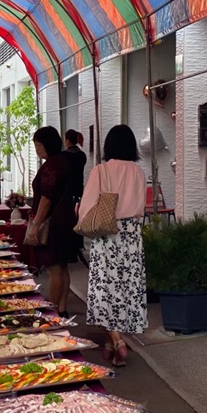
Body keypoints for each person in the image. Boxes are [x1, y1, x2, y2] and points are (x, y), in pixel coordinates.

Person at [77, 124, 147, 367]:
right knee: (124, 290)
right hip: (131, 236)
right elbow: (140, 209)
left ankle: (117, 341)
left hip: (107, 234)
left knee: (104, 289)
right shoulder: (138, 172)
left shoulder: (101, 171)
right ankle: (110, 347)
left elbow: (87, 207)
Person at [27, 126, 77, 315]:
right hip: (66, 220)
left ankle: (52, 312)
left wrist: (35, 225)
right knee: (63, 267)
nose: (37, 149)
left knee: (54, 269)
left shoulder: (51, 166)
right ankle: (62, 308)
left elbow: (46, 198)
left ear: (48, 144)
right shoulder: (63, 161)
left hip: (53, 223)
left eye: (39, 145)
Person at [63, 130, 88, 267]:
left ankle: (68, 251)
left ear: (67, 140)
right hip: (79, 191)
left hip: (66, 193)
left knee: (67, 220)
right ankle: (77, 246)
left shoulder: (64, 156)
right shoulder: (82, 155)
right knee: (77, 219)